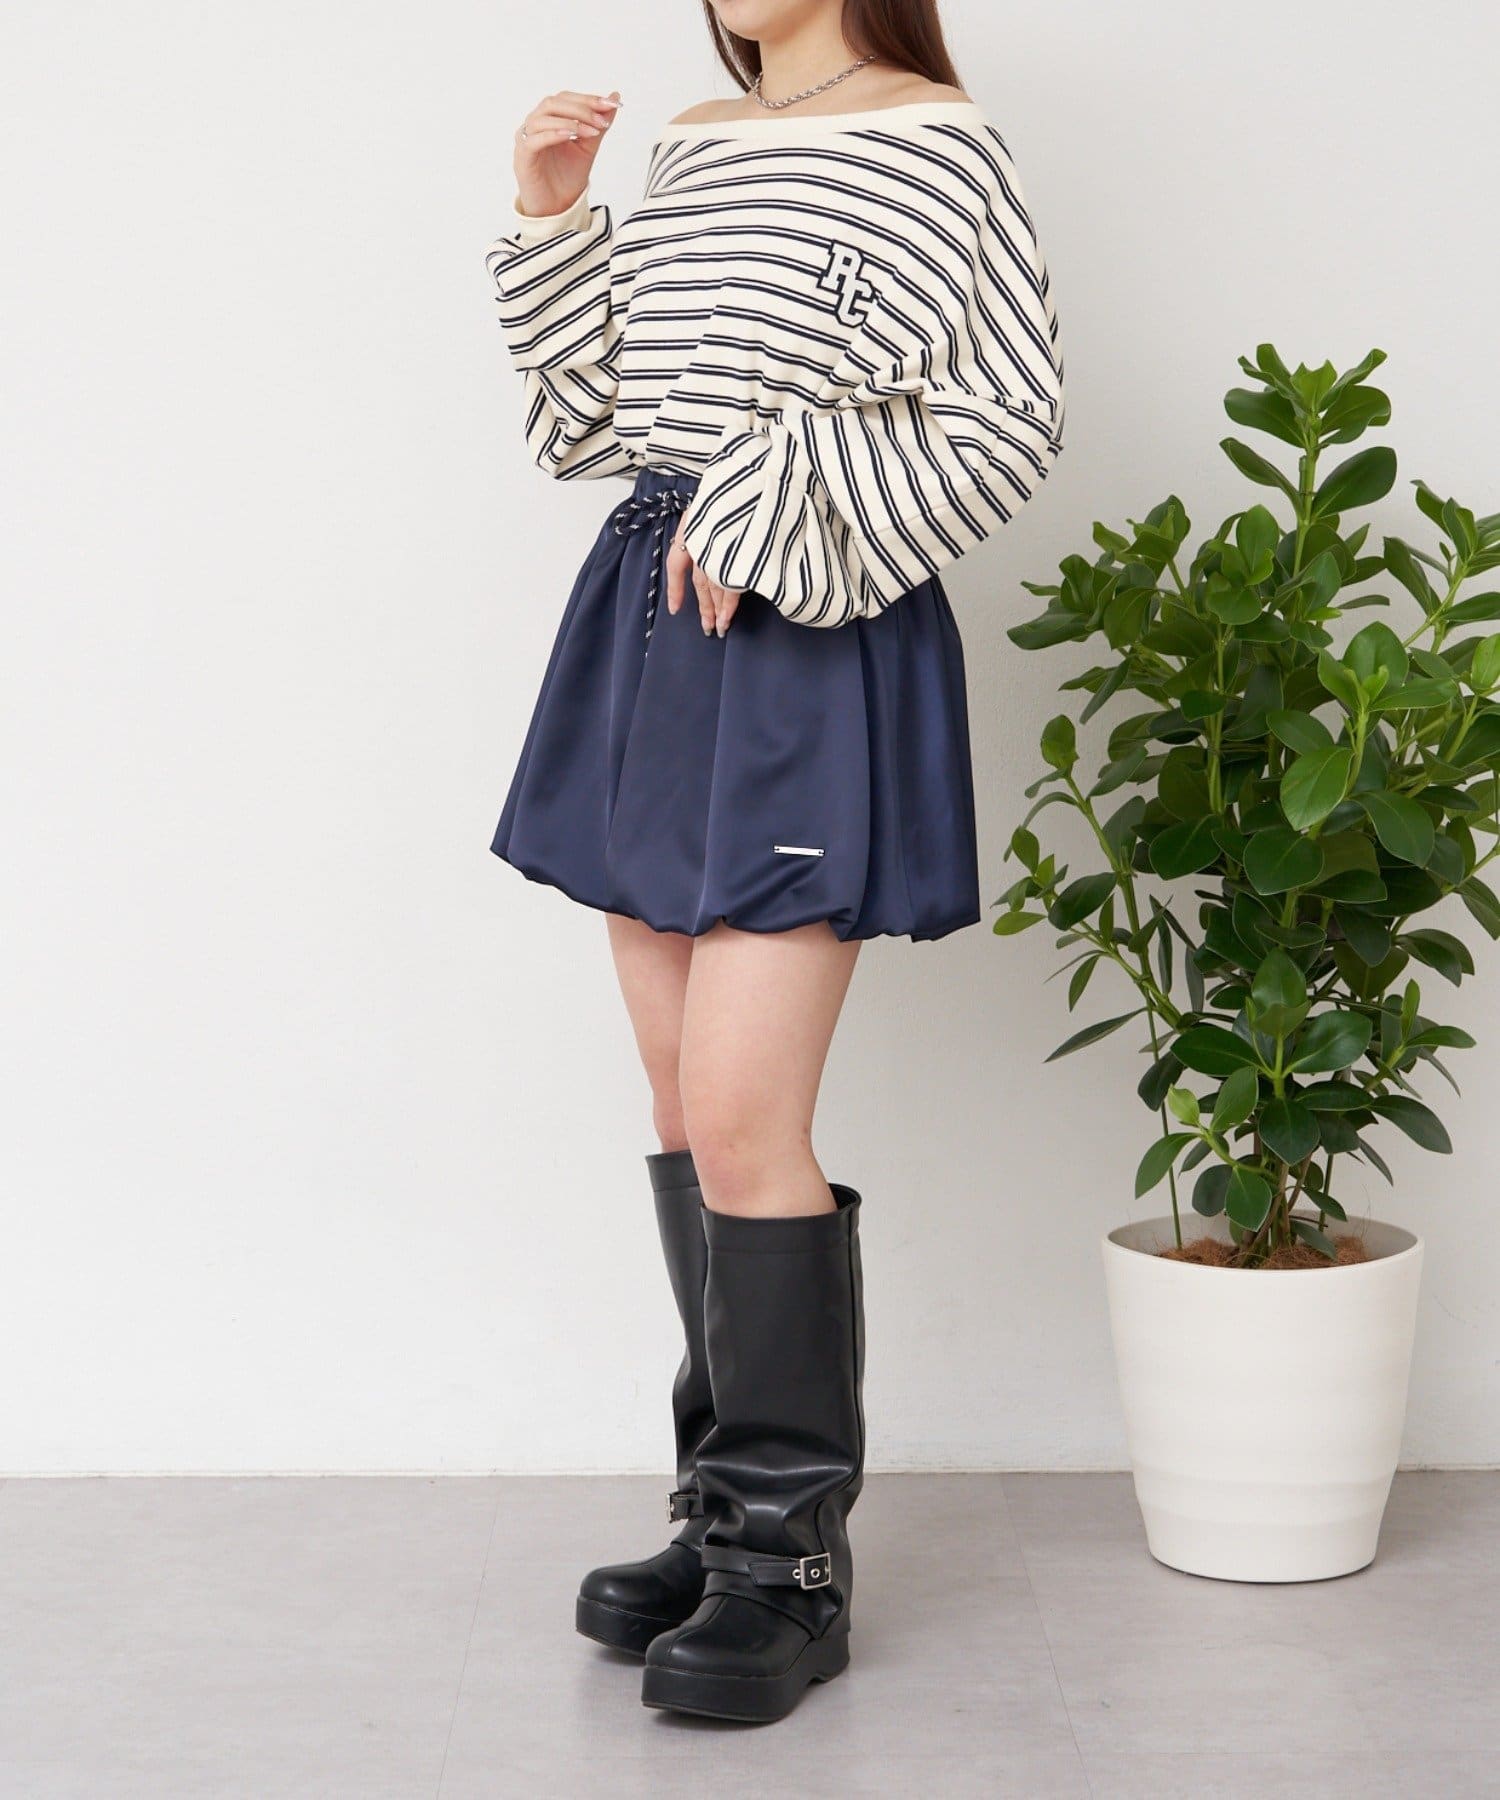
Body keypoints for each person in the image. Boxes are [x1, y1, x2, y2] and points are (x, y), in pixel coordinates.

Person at [483, 0, 1065, 1724]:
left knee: (747, 1115)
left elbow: (999, 421)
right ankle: (725, 1514)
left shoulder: (937, 143)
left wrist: (774, 506)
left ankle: (791, 1571)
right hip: (655, 629)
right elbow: (599, 426)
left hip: (807, 636)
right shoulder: (694, 141)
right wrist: (552, 218)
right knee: (685, 1108)